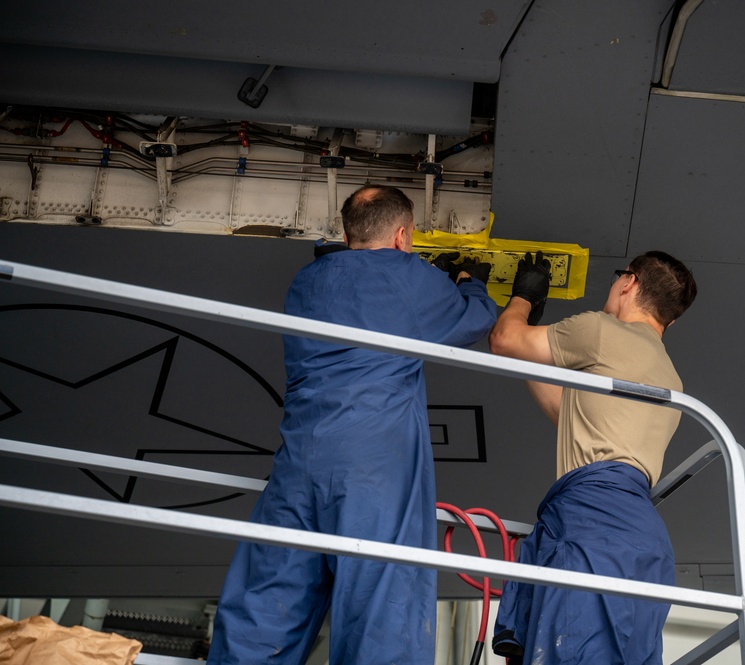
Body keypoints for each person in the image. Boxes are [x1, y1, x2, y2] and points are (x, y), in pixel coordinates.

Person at [208, 185, 497, 665]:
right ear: (404, 235)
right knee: (380, 604)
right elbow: (472, 321)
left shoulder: (307, 282)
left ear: (346, 234)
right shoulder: (407, 276)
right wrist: (468, 280)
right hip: (372, 464)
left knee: (271, 595)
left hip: (301, 458)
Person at [489, 250, 697, 665]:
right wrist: (526, 347)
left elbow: (503, 341)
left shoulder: (600, 330)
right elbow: (569, 412)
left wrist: (523, 300)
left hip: (594, 522)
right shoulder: (671, 381)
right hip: (644, 544)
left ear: (629, 282)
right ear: (670, 321)